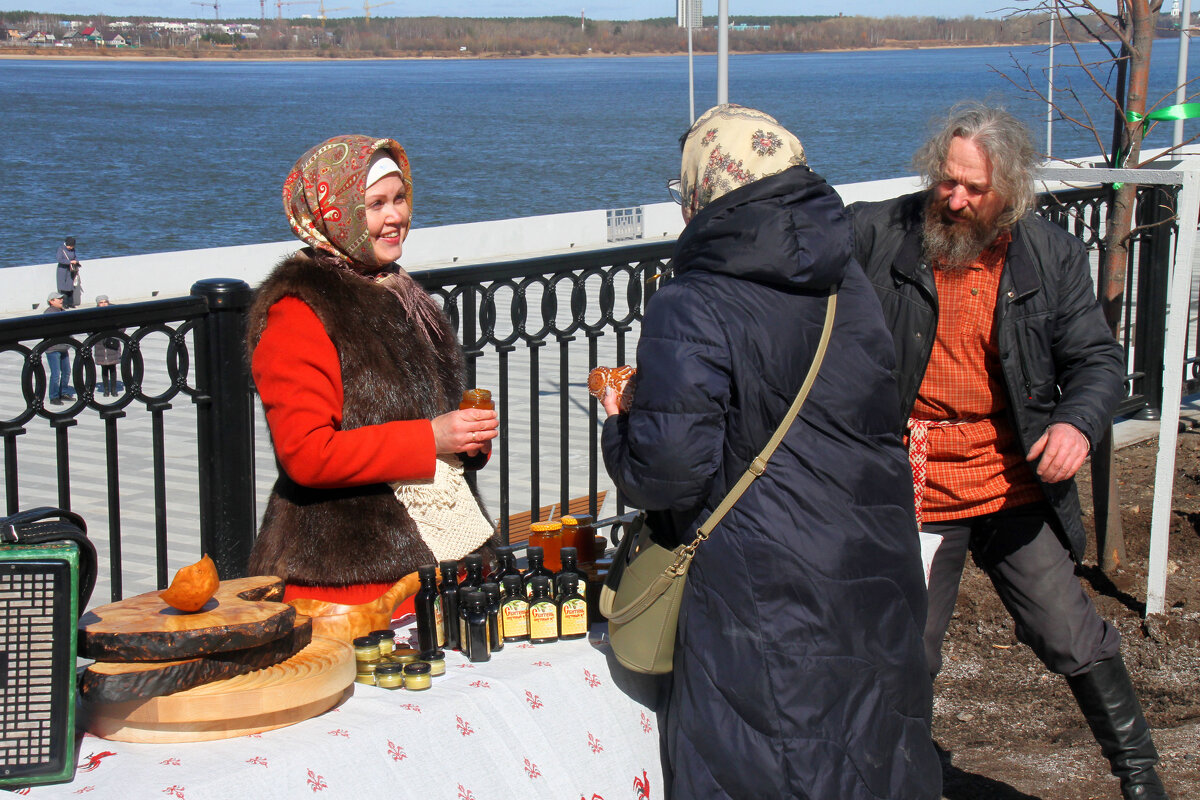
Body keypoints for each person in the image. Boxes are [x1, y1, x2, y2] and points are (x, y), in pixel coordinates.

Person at [600, 105, 940, 800]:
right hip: (873, 564)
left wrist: (618, 421)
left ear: (703, 191)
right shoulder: (850, 285)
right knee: (868, 759)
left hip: (763, 593)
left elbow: (666, 472)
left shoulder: (693, 303)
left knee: (765, 765)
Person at [850, 102, 1168, 800]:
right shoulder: (879, 232)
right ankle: (905, 786)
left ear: (1011, 192)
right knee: (908, 655)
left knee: (1071, 635)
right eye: (946, 181)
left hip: (1013, 478)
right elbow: (794, 272)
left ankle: (1142, 781)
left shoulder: (1048, 255)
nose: (955, 199)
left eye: (973, 189)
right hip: (916, 482)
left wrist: (1079, 424)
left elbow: (1097, 361)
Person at [246, 134, 499, 612]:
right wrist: (431, 439)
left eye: (399, 198)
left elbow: (422, 415)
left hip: (432, 567)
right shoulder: (298, 312)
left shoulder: (395, 289)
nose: (395, 217)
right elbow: (307, 455)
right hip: (349, 581)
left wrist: (465, 442)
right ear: (334, 212)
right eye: (374, 204)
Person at [42, 291, 76, 404]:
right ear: (51, 301)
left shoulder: (63, 312)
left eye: (61, 298)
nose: (61, 300)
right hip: (53, 349)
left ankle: (64, 392)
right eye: (58, 299)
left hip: (63, 347)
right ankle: (54, 396)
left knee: (66, 371)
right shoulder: (48, 314)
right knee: (56, 374)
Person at [92, 295, 122, 397]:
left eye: (105, 302)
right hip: (100, 344)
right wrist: (95, 336)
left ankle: (113, 389)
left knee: (112, 367)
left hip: (112, 343)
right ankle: (106, 389)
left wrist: (117, 334)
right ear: (97, 304)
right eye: (101, 302)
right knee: (104, 368)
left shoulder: (114, 312)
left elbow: (122, 324)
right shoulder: (94, 314)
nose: (104, 304)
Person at [56, 236, 82, 308]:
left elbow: (75, 257)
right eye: (70, 246)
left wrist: (76, 261)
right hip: (62, 270)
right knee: (63, 288)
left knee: (71, 287)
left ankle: (71, 303)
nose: (71, 247)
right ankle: (65, 304)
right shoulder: (61, 249)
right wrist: (70, 262)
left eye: (72, 246)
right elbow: (59, 259)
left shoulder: (73, 249)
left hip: (71, 270)